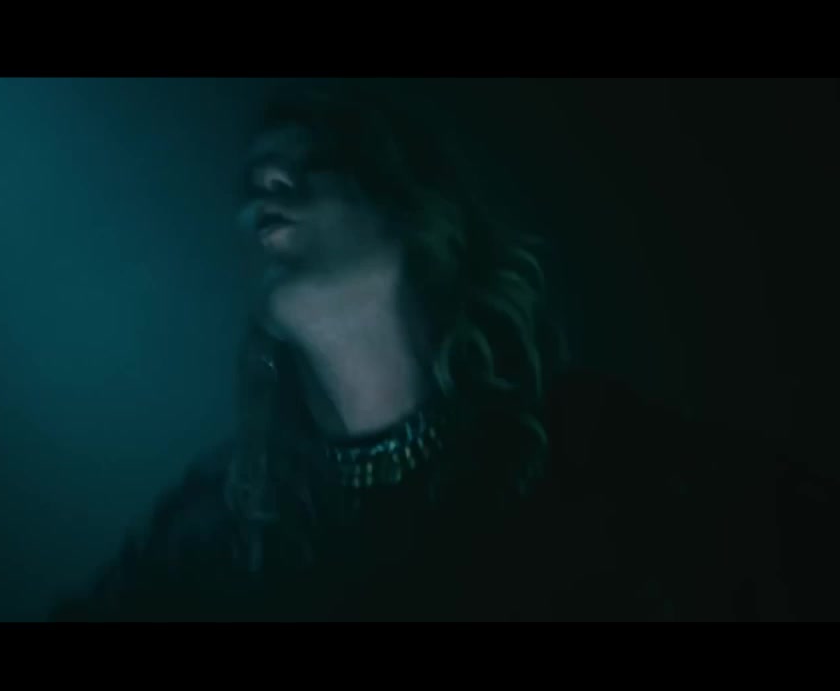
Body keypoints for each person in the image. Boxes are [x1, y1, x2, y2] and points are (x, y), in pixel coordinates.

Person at [52, 81, 826, 622]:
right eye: (252, 179)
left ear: (413, 214)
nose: (266, 187)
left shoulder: (592, 452)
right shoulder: (218, 528)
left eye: (315, 159)